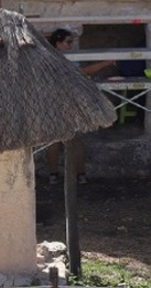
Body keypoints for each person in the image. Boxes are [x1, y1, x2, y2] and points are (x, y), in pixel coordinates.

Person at [43, 28, 115, 185]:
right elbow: (82, 72)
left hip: (57, 102)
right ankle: (78, 174)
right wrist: (105, 63)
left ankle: (55, 175)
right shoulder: (60, 58)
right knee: (71, 140)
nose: (70, 45)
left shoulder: (50, 57)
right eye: (68, 42)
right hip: (64, 102)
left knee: (56, 140)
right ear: (58, 43)